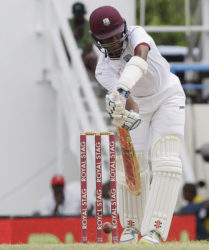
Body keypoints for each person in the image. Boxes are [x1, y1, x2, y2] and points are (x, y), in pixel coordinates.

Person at [89, 6, 186, 245]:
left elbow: (141, 56)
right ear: (97, 41)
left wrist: (121, 91)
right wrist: (123, 109)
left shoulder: (137, 34)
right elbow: (132, 105)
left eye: (115, 35)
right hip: (139, 104)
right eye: (106, 39)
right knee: (131, 164)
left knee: (166, 161)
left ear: (123, 28)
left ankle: (155, 229)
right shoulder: (103, 70)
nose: (112, 42)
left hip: (168, 95)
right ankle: (132, 227)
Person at [68, 2, 97, 75]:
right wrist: (74, 36)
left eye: (80, 14)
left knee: (92, 59)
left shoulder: (89, 25)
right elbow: (63, 40)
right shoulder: (68, 23)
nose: (79, 17)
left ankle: (99, 82)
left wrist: (81, 61)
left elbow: (89, 45)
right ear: (73, 14)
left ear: (84, 14)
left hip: (85, 53)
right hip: (70, 51)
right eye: (77, 15)